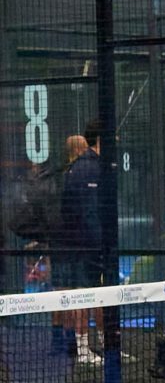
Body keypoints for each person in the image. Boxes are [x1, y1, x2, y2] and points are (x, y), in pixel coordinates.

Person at [52, 133, 101, 364]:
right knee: (75, 293)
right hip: (74, 246)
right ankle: (74, 345)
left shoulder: (63, 174)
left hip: (63, 244)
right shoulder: (75, 174)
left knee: (65, 292)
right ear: (80, 150)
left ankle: (66, 343)